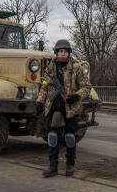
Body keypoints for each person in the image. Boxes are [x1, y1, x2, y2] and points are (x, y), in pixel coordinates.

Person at [36, 39, 91, 178]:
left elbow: (86, 87)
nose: (62, 54)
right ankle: (52, 166)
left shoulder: (77, 67)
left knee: (70, 137)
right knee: (53, 136)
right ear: (56, 53)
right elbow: (45, 86)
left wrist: (76, 96)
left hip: (71, 107)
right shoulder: (51, 67)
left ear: (68, 52)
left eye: (65, 51)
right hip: (55, 107)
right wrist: (40, 101)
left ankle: (70, 165)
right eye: (60, 51)